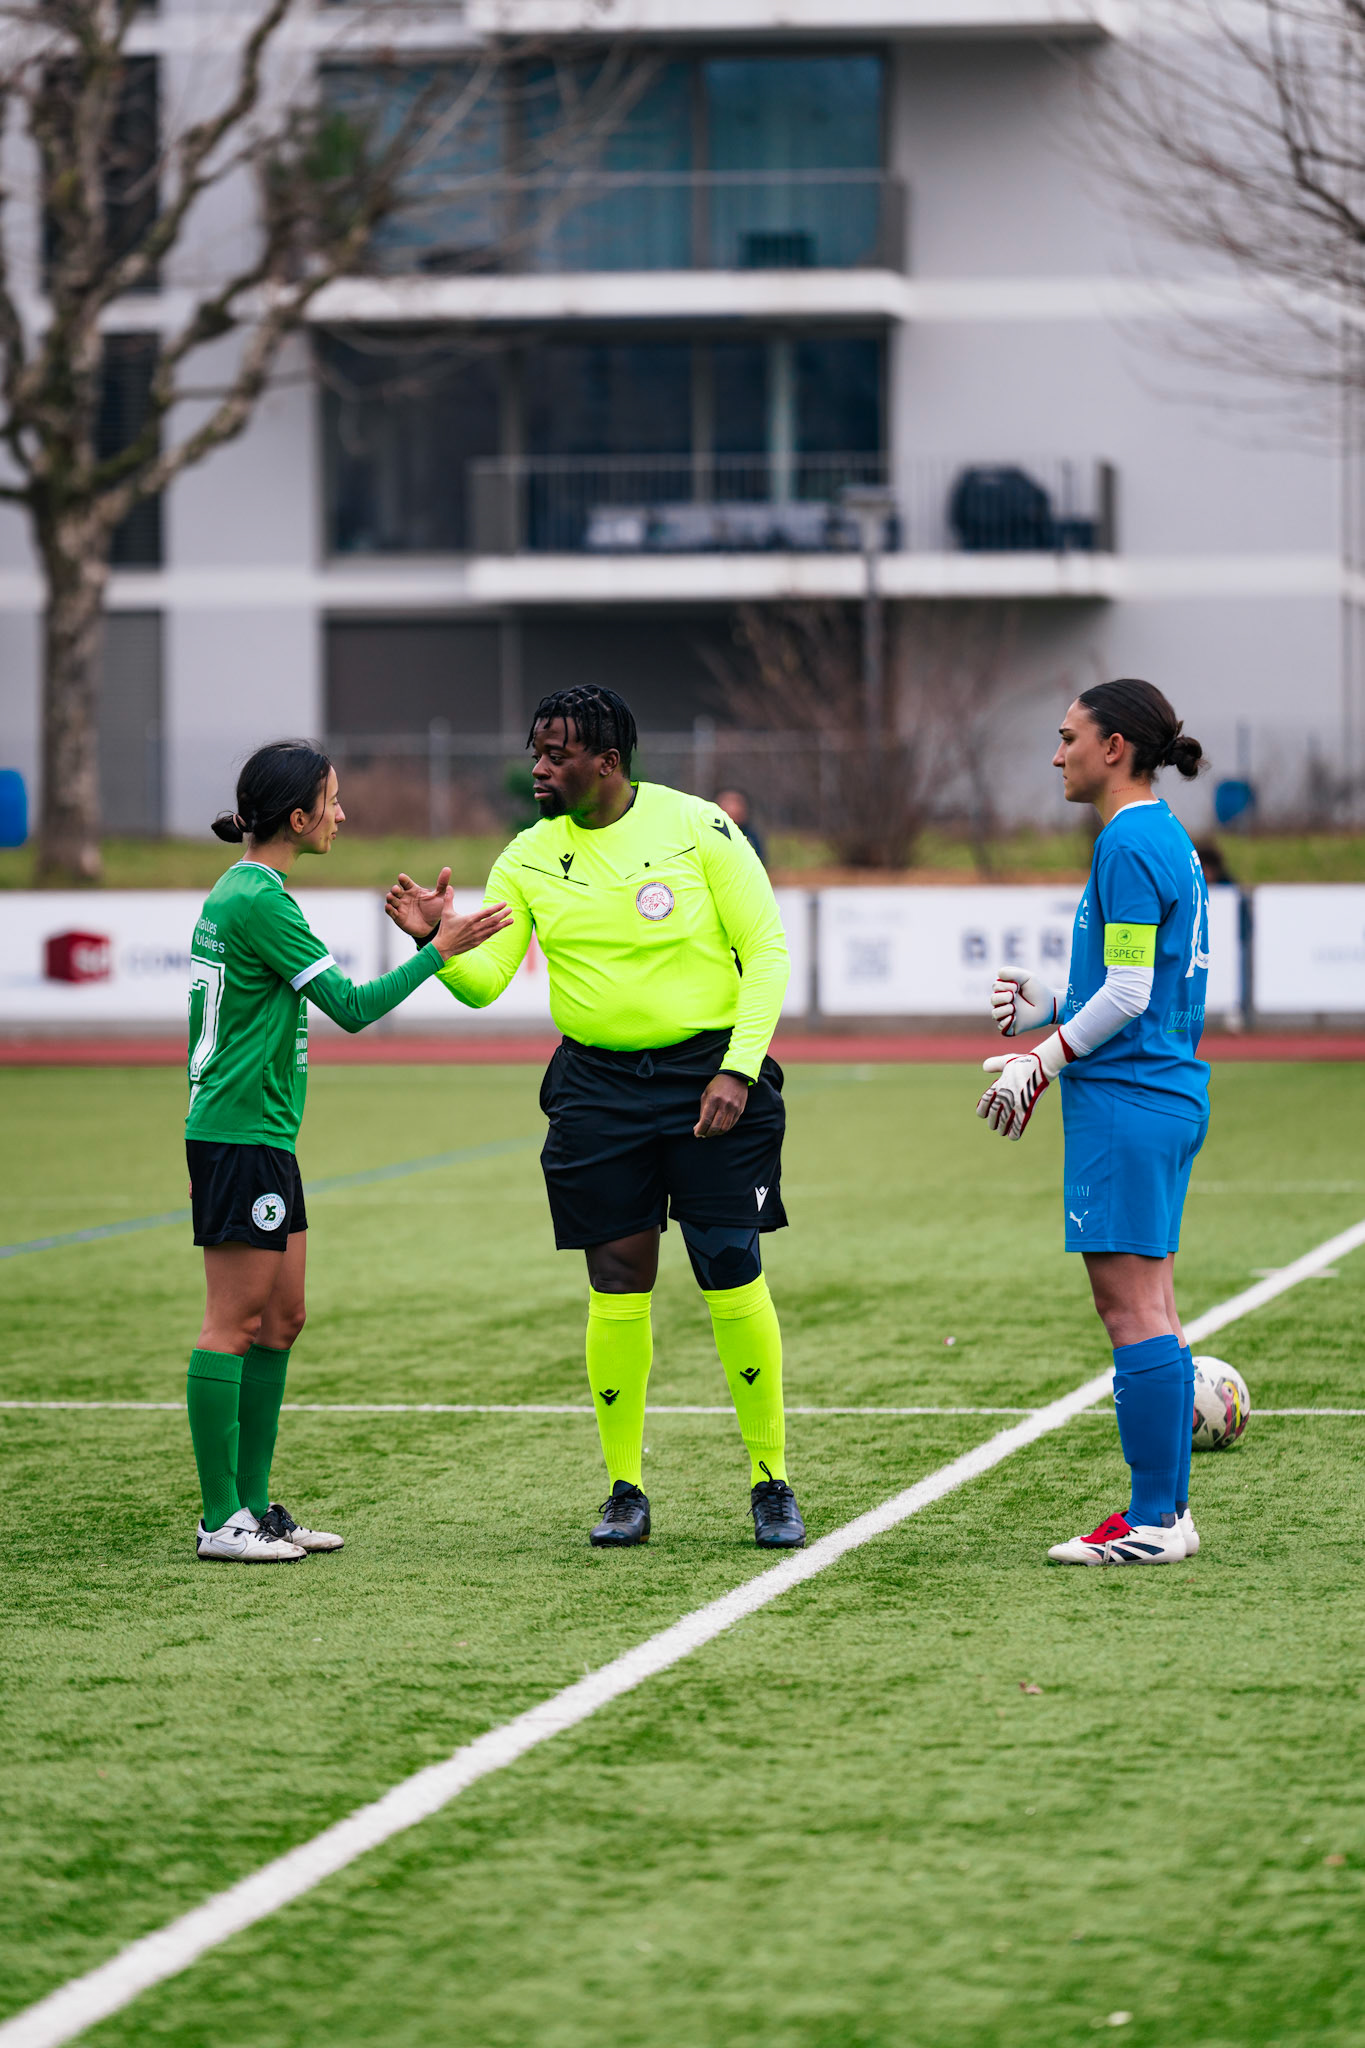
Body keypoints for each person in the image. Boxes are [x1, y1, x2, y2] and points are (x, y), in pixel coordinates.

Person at [385, 686, 805, 1550]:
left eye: (554, 753)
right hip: (595, 1089)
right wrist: (436, 946)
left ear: (605, 763)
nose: (536, 767)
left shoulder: (698, 829)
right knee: (617, 1278)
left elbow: (765, 952)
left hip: (708, 1073)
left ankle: (770, 1481)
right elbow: (486, 983)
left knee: (729, 1263)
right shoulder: (527, 857)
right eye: (535, 751)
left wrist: (734, 1069)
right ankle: (624, 1488)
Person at [185, 741, 509, 1563]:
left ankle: (254, 1506)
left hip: (263, 1136)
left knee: (282, 1319)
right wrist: (439, 948)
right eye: (330, 800)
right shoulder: (259, 899)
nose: (341, 813)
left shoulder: (255, 892)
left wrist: (424, 945)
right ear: (296, 818)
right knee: (232, 1323)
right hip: (237, 1135)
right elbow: (353, 1010)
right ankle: (221, 1519)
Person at [976, 679, 1210, 1566]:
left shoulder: (1126, 840)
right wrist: (1051, 1004)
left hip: (1129, 1103)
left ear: (1114, 747)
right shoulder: (1161, 836)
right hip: (1162, 1091)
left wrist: (1043, 1057)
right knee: (1155, 1307)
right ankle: (1169, 1512)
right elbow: (1132, 990)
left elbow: (1131, 993)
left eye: (1067, 736)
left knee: (1131, 1313)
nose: (1055, 752)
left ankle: (1150, 1521)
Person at [715, 787, 767, 868]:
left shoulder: (750, 837)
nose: (733, 808)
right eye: (727, 803)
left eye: (737, 803)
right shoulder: (708, 834)